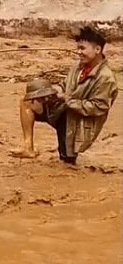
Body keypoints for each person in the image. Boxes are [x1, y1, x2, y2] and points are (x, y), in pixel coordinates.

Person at [12, 27, 118, 163]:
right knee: (28, 102)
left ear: (97, 50)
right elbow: (63, 86)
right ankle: (28, 147)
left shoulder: (106, 78)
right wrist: (50, 92)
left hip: (79, 122)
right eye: (77, 48)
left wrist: (67, 100)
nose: (78, 52)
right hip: (63, 111)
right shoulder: (78, 68)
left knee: (67, 162)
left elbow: (98, 107)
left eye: (82, 48)